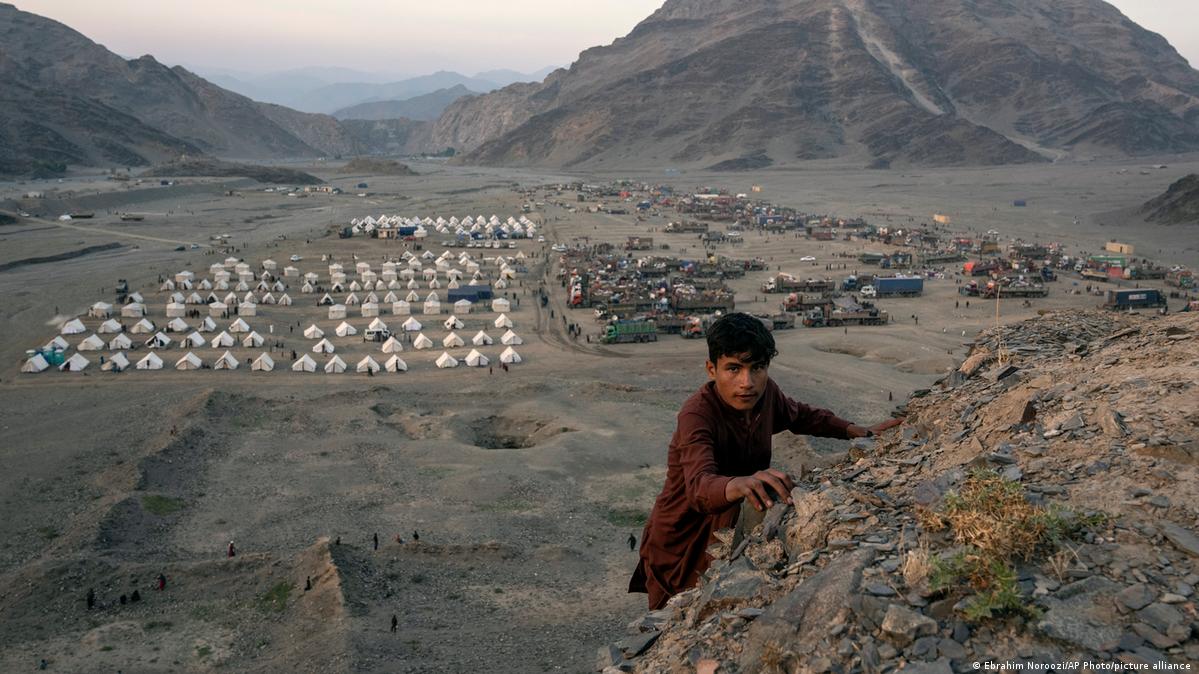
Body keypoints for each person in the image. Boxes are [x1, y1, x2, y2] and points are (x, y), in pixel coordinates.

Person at [628, 313, 902, 609]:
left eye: (757, 368)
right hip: (680, 539)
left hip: (728, 528)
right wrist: (739, 482)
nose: (747, 382)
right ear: (711, 369)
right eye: (733, 368)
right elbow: (699, 486)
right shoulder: (696, 416)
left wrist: (854, 430)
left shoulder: (766, 395)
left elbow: (803, 416)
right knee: (671, 619)